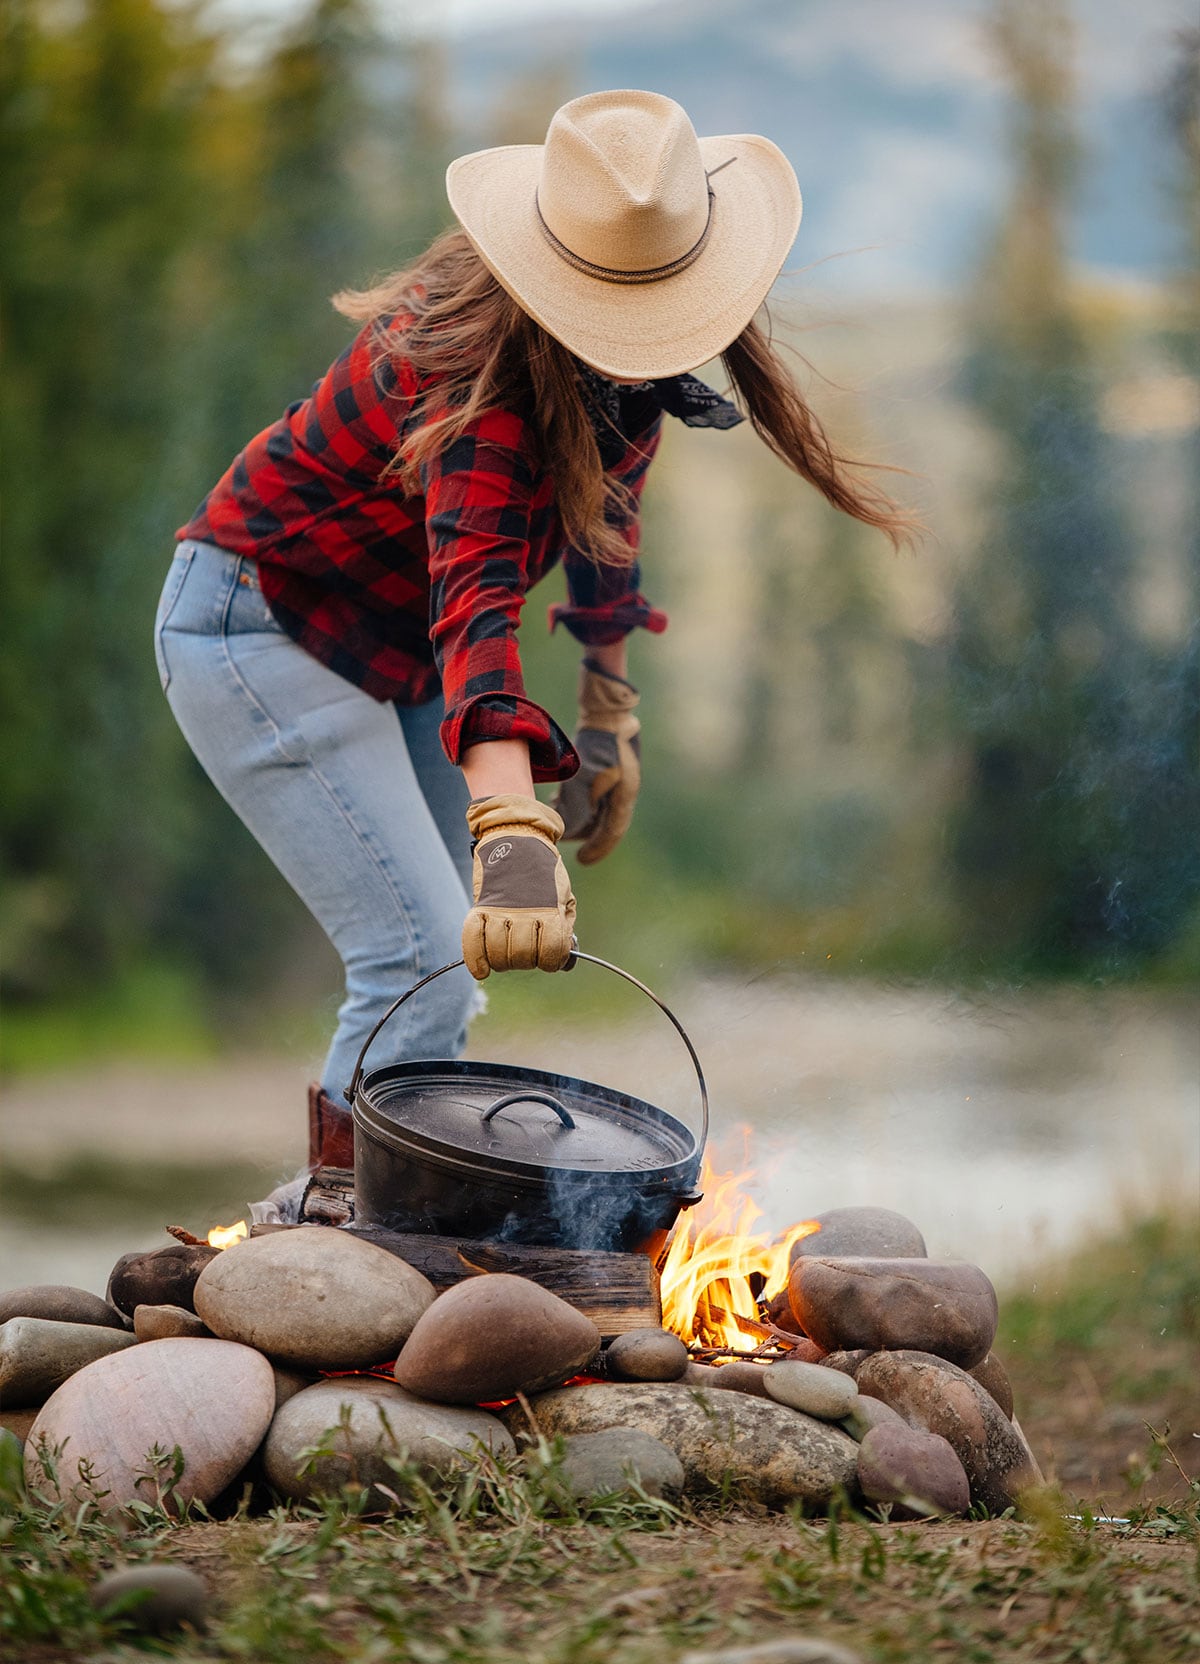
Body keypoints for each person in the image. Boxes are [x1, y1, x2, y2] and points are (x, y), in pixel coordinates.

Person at [155, 90, 913, 1172]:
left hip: (394, 648)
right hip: (257, 626)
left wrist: (609, 707)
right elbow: (476, 600)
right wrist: (510, 831)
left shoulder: (621, 366)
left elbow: (604, 533)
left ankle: (372, 1230)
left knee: (442, 979)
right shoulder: (463, 372)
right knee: (417, 952)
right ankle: (317, 1240)